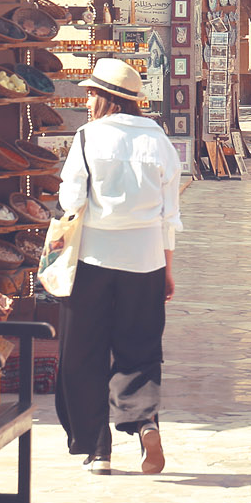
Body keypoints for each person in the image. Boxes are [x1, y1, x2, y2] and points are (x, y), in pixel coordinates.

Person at [54, 58, 183, 475]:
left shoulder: (89, 138)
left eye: (92, 93)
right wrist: (166, 268)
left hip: (92, 260)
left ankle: (98, 449)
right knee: (140, 350)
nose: (87, 100)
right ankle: (144, 422)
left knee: (83, 353)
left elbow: (72, 201)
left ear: (108, 98)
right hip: (144, 261)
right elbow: (169, 215)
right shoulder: (159, 140)